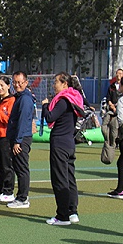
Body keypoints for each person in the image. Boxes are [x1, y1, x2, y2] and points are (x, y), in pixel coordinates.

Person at [41, 72, 83, 225]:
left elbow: (50, 117)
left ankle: (62, 215)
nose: (54, 85)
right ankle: (72, 211)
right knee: (70, 178)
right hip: (69, 143)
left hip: (60, 143)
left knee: (60, 179)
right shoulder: (74, 99)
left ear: (65, 84)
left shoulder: (64, 101)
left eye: (56, 82)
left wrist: (45, 105)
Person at [6, 71, 34, 209]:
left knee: (22, 168)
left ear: (26, 82)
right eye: (15, 82)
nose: (17, 85)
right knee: (18, 167)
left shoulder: (25, 99)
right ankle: (21, 196)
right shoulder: (19, 97)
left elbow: (23, 121)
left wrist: (18, 140)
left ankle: (23, 198)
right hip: (18, 137)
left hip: (22, 139)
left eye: (19, 82)